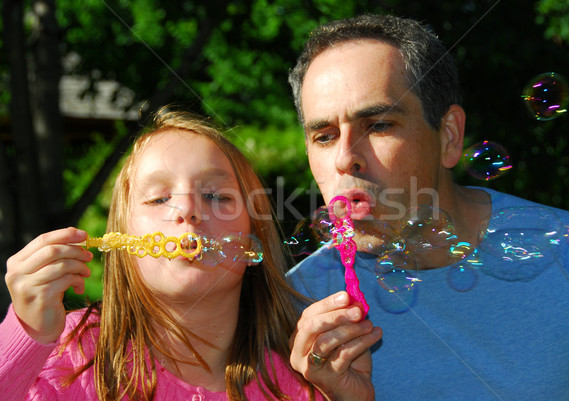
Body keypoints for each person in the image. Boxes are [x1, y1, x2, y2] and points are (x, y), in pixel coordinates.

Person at [286, 14, 569, 400]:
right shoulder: (293, 306)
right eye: (325, 136)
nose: (345, 158)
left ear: (449, 136)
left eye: (379, 125)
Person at [0, 108, 337, 401]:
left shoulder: (301, 379)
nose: (188, 210)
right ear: (123, 237)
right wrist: (27, 333)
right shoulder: (71, 356)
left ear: (253, 236)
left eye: (216, 195)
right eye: (159, 199)